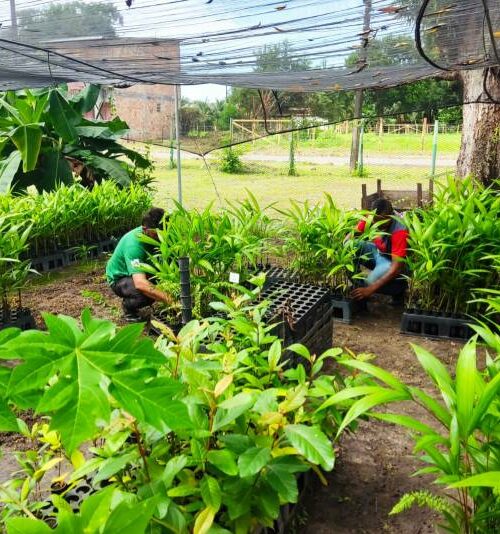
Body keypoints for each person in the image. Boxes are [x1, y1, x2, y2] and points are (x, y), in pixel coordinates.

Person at [106, 207, 172, 321]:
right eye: (157, 234)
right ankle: (128, 308)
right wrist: (170, 299)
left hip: (146, 271)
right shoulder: (134, 245)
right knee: (145, 294)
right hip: (121, 278)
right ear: (145, 229)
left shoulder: (164, 234)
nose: (162, 237)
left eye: (164, 233)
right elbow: (140, 283)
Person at [350, 198, 408, 304]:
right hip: (377, 252)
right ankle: (358, 287)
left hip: (392, 263)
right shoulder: (370, 217)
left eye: (382, 222)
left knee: (370, 282)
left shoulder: (399, 230)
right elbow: (349, 238)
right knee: (350, 246)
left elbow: (396, 268)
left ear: (390, 217)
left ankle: (397, 291)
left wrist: (370, 289)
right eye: (375, 220)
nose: (377, 224)